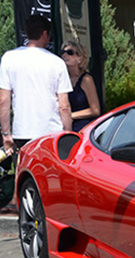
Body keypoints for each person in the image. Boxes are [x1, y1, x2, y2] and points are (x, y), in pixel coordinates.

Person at [0, 14, 72, 214]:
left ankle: (22, 208)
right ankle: (54, 211)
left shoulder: (9, 58)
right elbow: (63, 105)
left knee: (22, 173)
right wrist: (68, 132)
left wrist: (6, 134)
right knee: (52, 175)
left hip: (23, 129)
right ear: (45, 34)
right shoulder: (56, 63)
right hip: (51, 131)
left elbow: (3, 99)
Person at [61, 40, 100, 131]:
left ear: (80, 58)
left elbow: (95, 110)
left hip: (84, 128)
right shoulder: (63, 78)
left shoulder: (86, 79)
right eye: (63, 52)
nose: (65, 55)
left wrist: (70, 115)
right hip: (67, 128)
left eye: (70, 53)